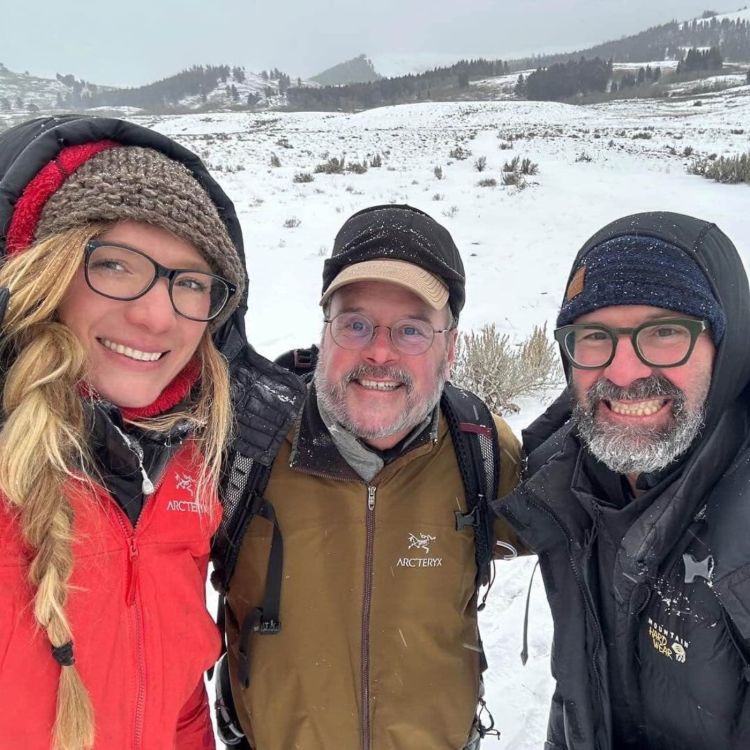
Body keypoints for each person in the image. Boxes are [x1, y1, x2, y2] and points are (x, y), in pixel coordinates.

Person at [215, 204, 522, 750]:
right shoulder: (244, 441)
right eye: (356, 323)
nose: (379, 352)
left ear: (450, 348)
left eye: (411, 330)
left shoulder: (484, 450)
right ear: (325, 333)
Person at [0, 115, 254, 750]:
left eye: (190, 282)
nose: (155, 315)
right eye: (115, 265)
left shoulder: (190, 465)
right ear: (47, 273)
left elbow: (177, 697)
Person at [494, 211, 750, 750]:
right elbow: (581, 695)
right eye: (594, 337)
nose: (625, 372)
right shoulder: (567, 483)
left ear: (727, 348)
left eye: (663, 333)